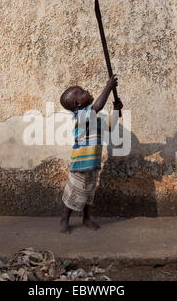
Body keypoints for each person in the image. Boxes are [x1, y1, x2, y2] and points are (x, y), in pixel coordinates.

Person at [58, 74, 122, 233]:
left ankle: (87, 218)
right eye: (81, 92)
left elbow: (110, 126)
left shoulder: (95, 116)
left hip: (93, 163)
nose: (86, 90)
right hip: (80, 164)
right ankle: (64, 218)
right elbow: (97, 106)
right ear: (77, 103)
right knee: (75, 192)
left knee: (89, 193)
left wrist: (116, 110)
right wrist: (108, 87)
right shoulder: (79, 116)